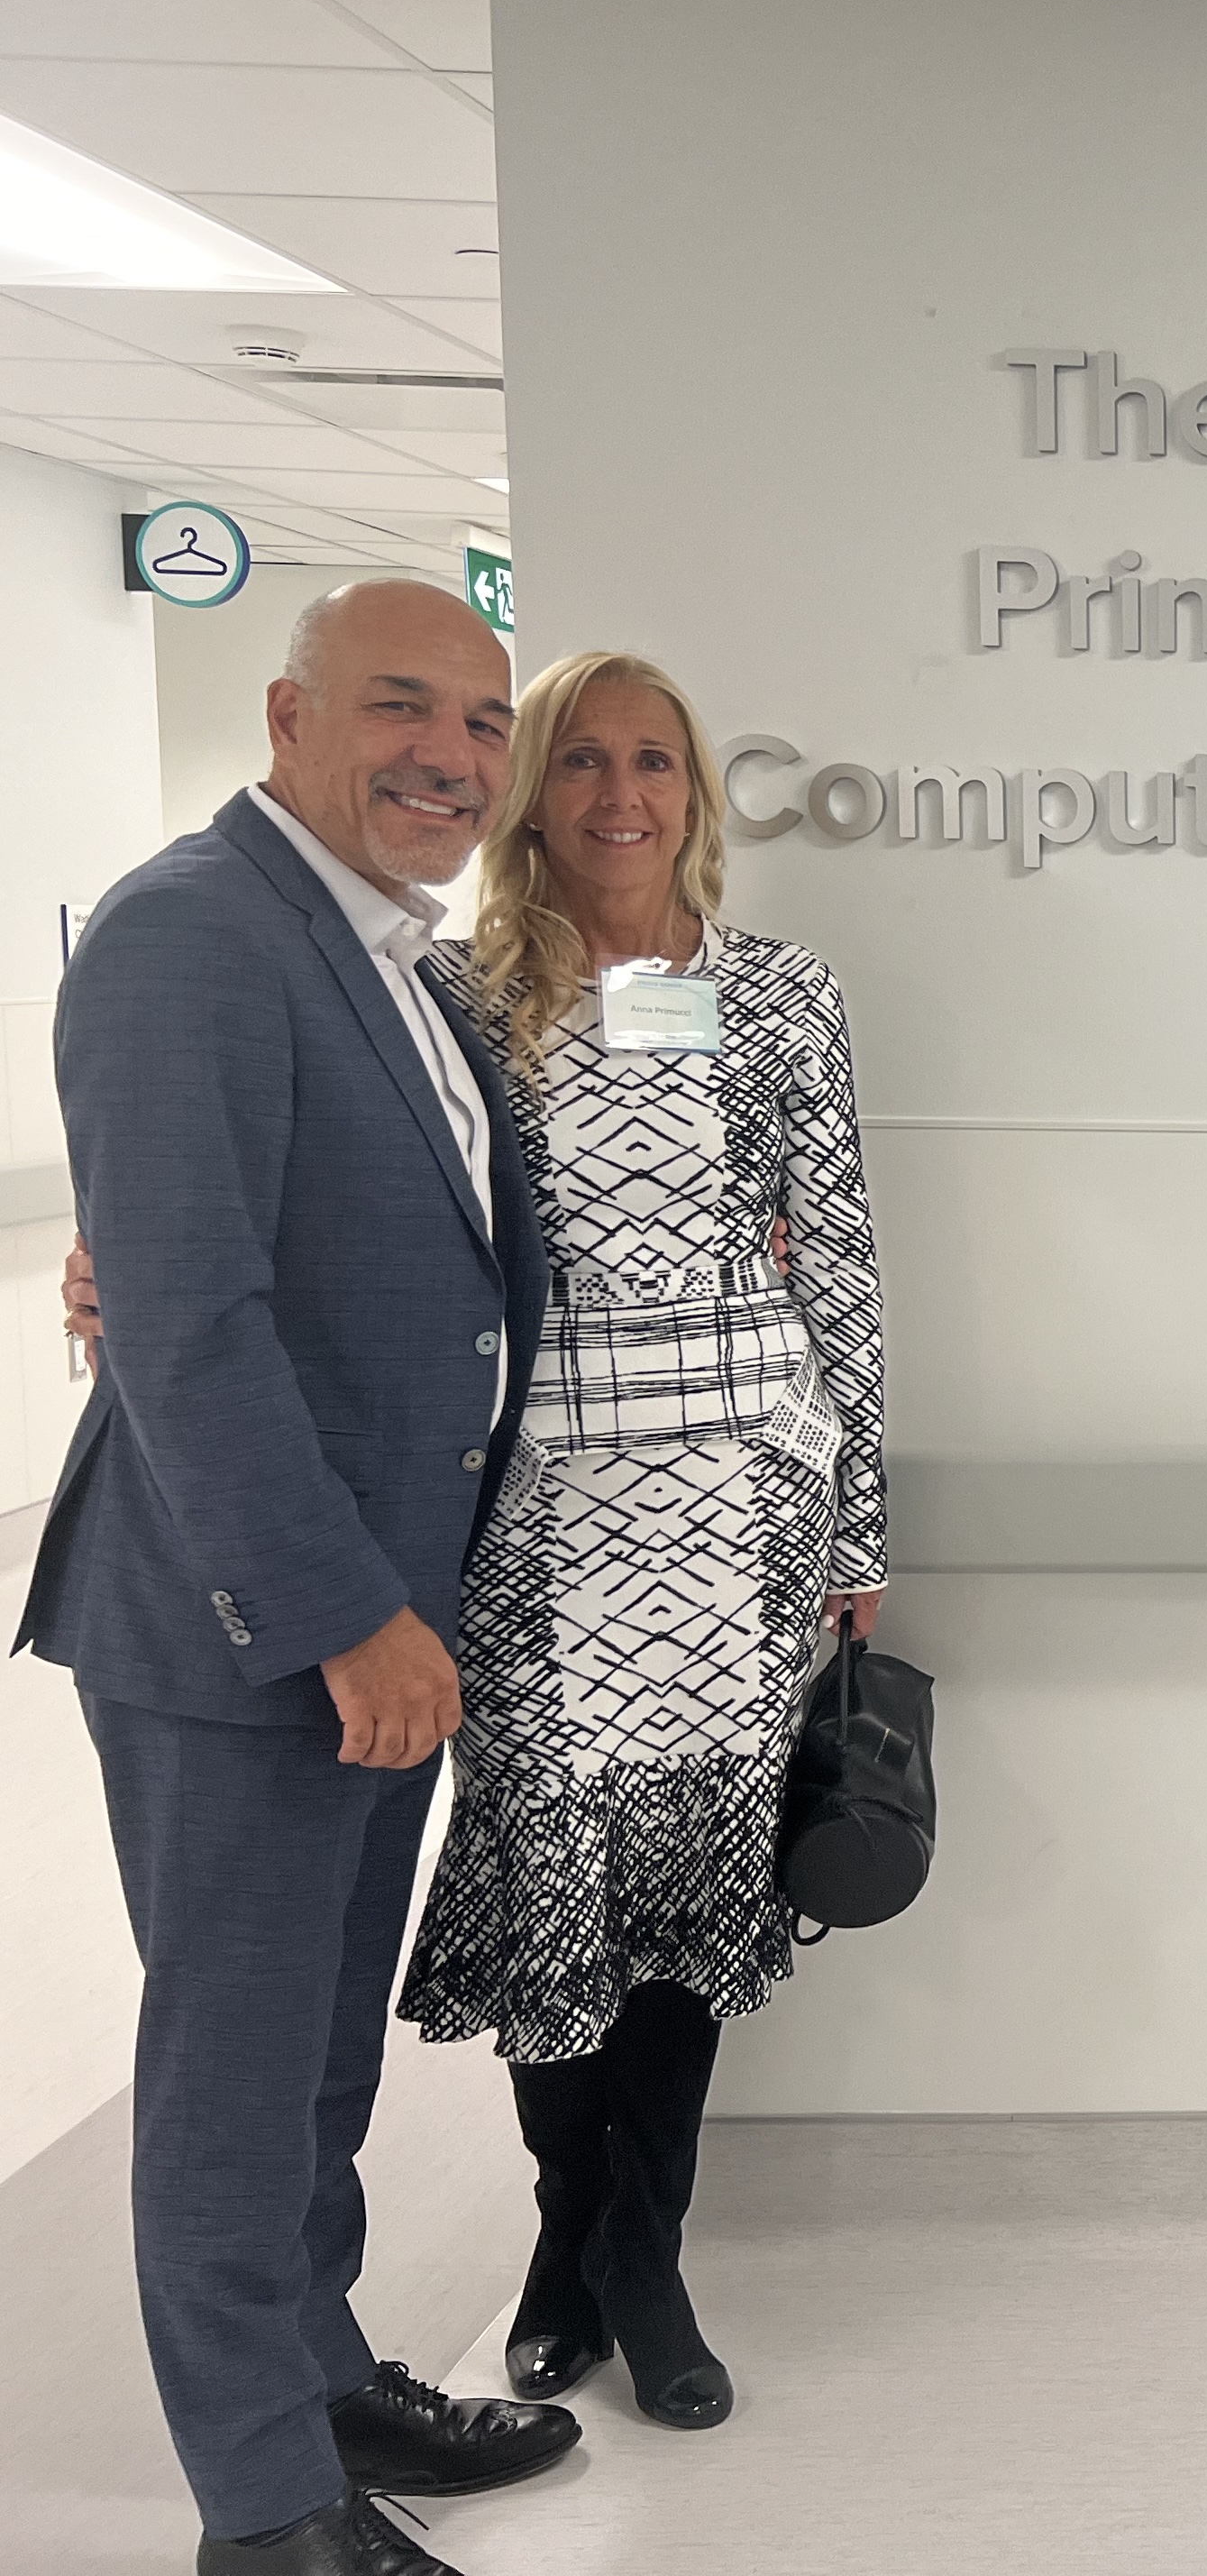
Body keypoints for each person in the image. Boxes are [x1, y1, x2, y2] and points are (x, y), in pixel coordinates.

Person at [17, 581, 577, 2576]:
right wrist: (342, 1614)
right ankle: (265, 2506)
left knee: (321, 2049)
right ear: (287, 714)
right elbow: (191, 1325)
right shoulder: (192, 937)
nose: (451, 754)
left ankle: (322, 2373)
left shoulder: (387, 957)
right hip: (256, 1624)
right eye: (402, 708)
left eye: (482, 721)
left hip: (382, 1610)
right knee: (238, 2065)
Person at [390, 648, 889, 2432]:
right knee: (552, 1891)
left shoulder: (776, 995)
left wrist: (861, 1511)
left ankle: (641, 2254)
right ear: (536, 789)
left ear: (696, 791)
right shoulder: (455, 995)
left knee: (692, 1892)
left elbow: (832, 1253)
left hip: (741, 1499)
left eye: (655, 762)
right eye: (585, 761)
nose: (622, 795)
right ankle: (564, 2229)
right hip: (533, 1502)